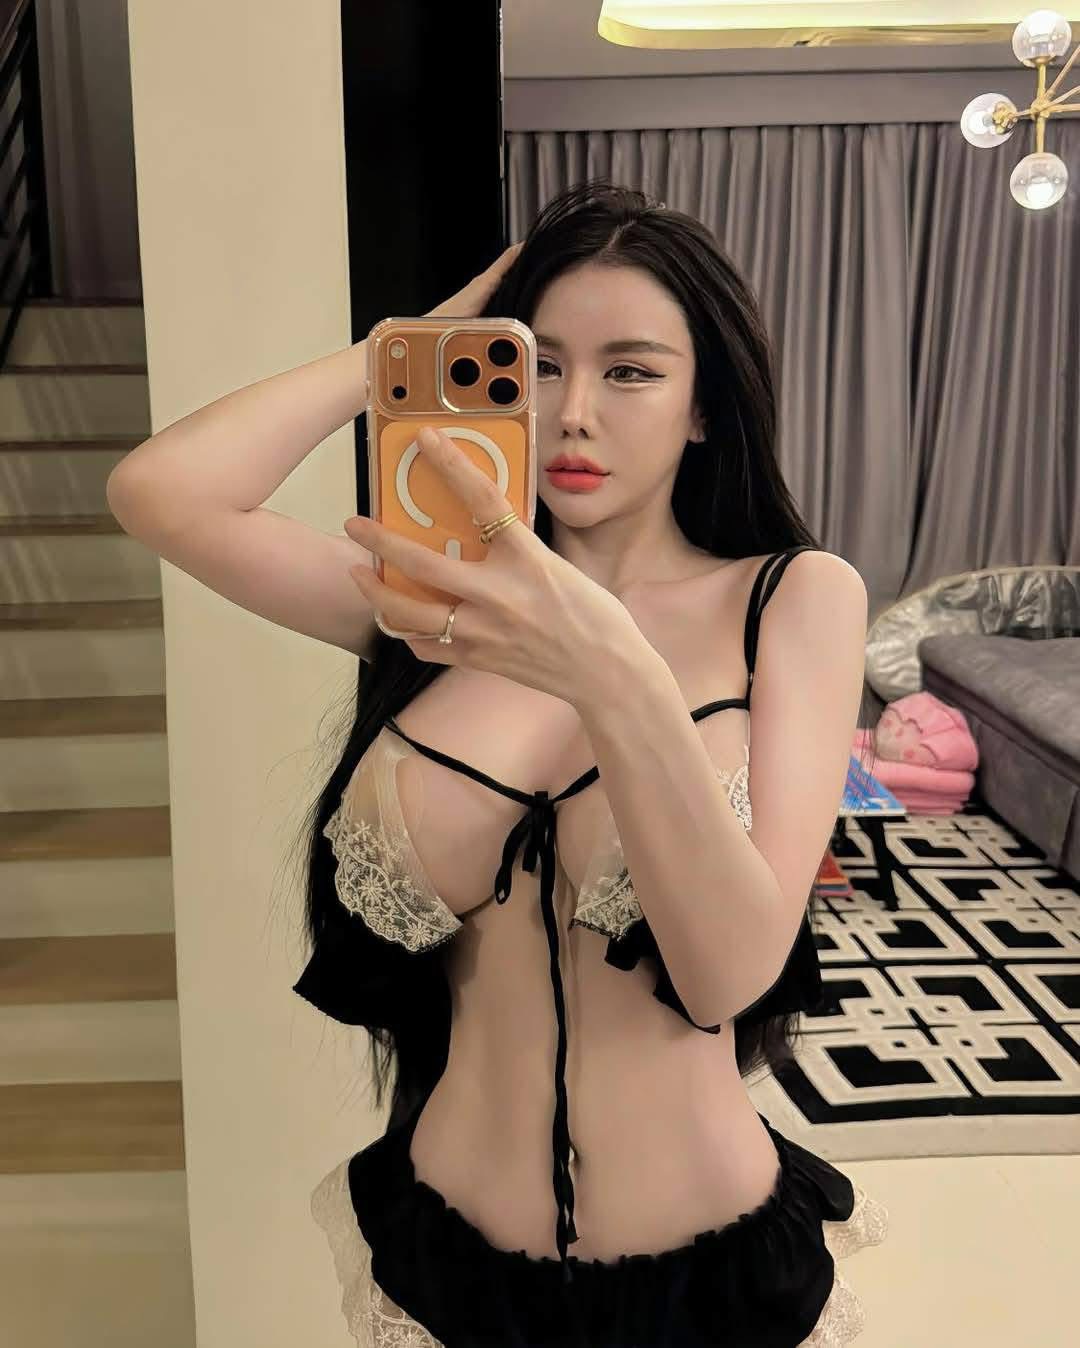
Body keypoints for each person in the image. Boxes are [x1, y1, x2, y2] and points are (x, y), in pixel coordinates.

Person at [107, 179, 888, 1347]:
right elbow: (160, 492)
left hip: (711, 1277)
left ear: (703, 408)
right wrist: (396, 357)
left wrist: (610, 671)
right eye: (541, 365)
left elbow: (729, 973)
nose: (574, 413)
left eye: (631, 371)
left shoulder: (792, 599)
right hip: (441, 1265)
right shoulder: (432, 604)